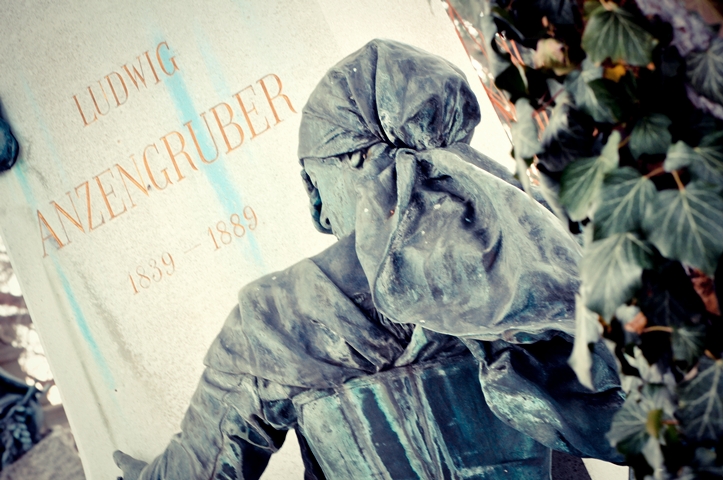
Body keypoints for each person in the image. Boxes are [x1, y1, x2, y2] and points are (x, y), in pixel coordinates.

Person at [114, 39, 624, 480]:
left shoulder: (273, 316)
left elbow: (202, 470)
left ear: (355, 160)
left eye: (314, 178)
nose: (318, 209)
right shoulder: (530, 262)